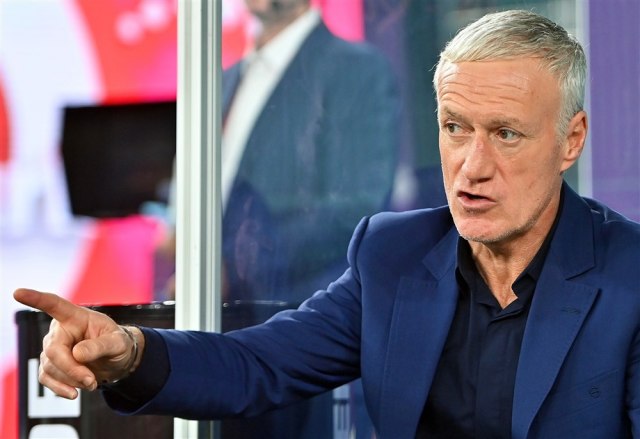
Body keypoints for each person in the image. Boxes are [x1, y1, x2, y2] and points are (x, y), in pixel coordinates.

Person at [13, 9, 640, 438]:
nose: (472, 168)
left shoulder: (630, 275)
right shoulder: (393, 255)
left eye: (505, 134)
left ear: (571, 140)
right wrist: (129, 352)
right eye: (455, 128)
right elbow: (256, 365)